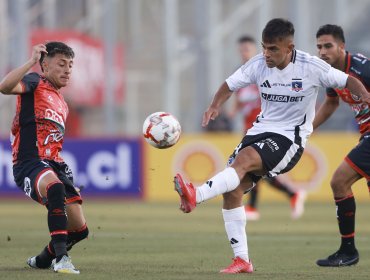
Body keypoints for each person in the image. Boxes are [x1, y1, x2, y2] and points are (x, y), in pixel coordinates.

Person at [173, 18, 370, 274]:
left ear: (289, 48)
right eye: (264, 47)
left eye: (273, 49)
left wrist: (365, 96)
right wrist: (214, 105)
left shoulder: (311, 66)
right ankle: (242, 260)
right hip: (260, 131)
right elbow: (228, 85)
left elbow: (348, 81)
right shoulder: (257, 64)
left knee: (242, 161)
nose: (266, 53)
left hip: (290, 139)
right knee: (232, 190)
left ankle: (196, 196)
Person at [0, 42, 88, 274]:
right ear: (45, 65)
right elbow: (5, 87)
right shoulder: (34, 82)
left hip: (55, 164)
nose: (68, 69)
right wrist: (30, 62)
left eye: (70, 65)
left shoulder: (63, 103)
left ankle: (41, 260)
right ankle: (61, 259)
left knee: (80, 230)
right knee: (55, 188)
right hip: (29, 161)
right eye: (61, 64)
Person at [230, 35, 306, 220]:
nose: (244, 52)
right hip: (248, 127)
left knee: (256, 168)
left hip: (265, 127)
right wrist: (232, 111)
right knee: (255, 169)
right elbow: (239, 100)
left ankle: (256, 206)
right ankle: (289, 195)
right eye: (242, 49)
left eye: (247, 48)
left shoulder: (264, 71)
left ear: (254, 49)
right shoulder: (241, 74)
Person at [314, 24, 370, 267]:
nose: (323, 51)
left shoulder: (362, 68)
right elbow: (331, 103)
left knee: (339, 181)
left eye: (328, 46)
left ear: (342, 47)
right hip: (366, 135)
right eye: (319, 47)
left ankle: (348, 251)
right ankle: (348, 251)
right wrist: (307, 129)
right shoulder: (329, 72)